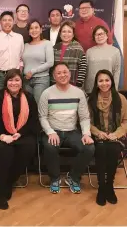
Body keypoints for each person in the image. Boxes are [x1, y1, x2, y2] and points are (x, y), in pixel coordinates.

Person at [0, 69, 39, 210]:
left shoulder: (29, 97)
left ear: (22, 82)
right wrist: (3, 136)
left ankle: (9, 182)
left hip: (20, 134)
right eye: (10, 80)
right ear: (6, 82)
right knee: (5, 152)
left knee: (29, 147)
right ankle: (0, 193)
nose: (13, 83)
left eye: (17, 80)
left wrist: (20, 133)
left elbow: (33, 122)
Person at [39, 62, 95, 194]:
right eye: (58, 73)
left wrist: (86, 134)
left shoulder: (78, 93)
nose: (62, 75)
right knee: (49, 146)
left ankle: (73, 177)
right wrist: (50, 132)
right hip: (53, 131)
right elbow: (42, 117)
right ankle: (55, 178)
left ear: (70, 74)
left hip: (72, 131)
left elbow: (84, 117)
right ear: (54, 76)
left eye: (65, 72)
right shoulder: (46, 93)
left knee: (89, 148)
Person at [88, 70, 127, 206]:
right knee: (101, 148)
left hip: (117, 134)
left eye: (107, 80)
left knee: (113, 148)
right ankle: (101, 187)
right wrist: (98, 132)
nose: (104, 83)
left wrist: (116, 134)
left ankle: (109, 185)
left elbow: (125, 121)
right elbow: (88, 122)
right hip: (97, 134)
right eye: (101, 81)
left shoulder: (120, 98)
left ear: (111, 81)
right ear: (96, 83)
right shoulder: (91, 99)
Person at [0, 11, 24, 90]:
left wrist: (20, 71)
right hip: (0, 76)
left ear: (13, 22)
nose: (7, 22)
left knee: (14, 100)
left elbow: (22, 57)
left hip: (15, 75)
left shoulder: (19, 37)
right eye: (4, 20)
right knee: (0, 100)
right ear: (0, 22)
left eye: (9, 20)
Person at [23, 19, 54, 103]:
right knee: (28, 107)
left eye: (36, 27)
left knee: (38, 106)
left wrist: (33, 71)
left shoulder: (47, 43)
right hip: (26, 80)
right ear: (29, 32)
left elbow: (50, 63)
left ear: (41, 30)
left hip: (41, 80)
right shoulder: (25, 45)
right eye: (31, 28)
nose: (34, 30)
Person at [85, 25, 121, 94]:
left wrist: (114, 89)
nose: (99, 36)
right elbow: (85, 71)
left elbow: (116, 71)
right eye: (97, 35)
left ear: (107, 35)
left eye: (102, 34)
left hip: (108, 88)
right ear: (94, 37)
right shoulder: (89, 52)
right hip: (91, 90)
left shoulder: (115, 51)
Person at [52, 21, 87, 88]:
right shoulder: (55, 48)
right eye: (64, 31)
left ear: (73, 34)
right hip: (55, 85)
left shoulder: (78, 48)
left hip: (73, 85)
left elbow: (83, 68)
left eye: (69, 32)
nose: (66, 34)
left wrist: (78, 84)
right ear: (60, 34)